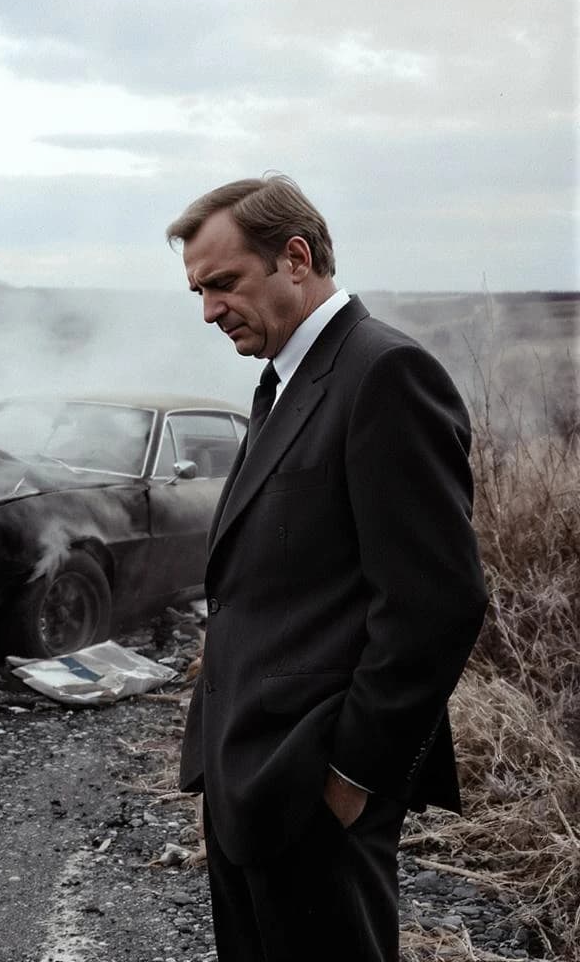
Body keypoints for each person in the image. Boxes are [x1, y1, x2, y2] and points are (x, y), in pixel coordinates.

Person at [165, 176, 488, 962]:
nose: (209, 311)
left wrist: (350, 780)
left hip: (313, 789)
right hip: (249, 782)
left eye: (223, 283)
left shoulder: (383, 373)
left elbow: (436, 603)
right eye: (198, 291)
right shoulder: (285, 380)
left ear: (296, 258)